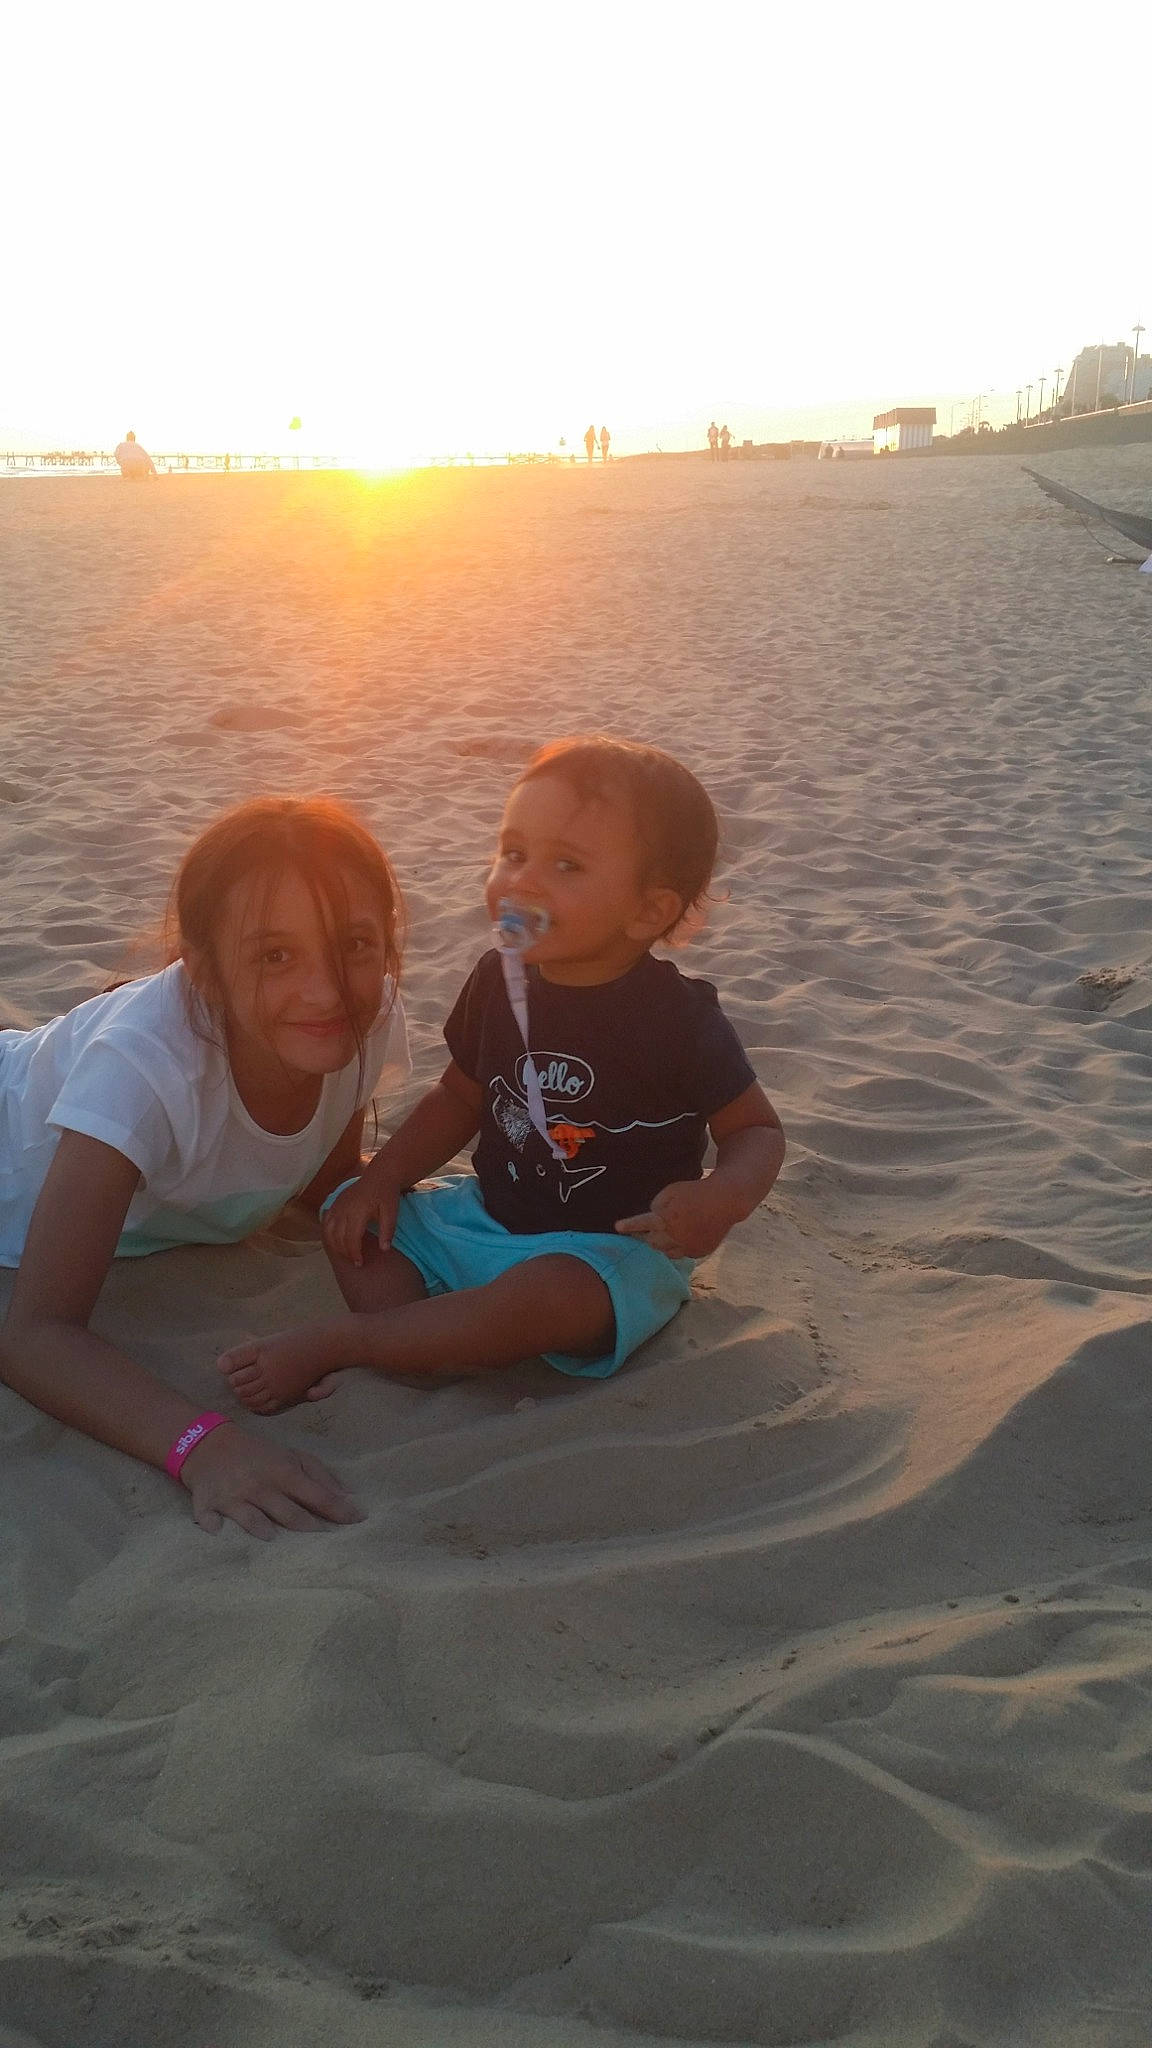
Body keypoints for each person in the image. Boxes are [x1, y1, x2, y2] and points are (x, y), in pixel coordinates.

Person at [218, 738, 785, 1414]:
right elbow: (459, 1096)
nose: (520, 881)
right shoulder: (497, 978)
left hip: (607, 1252)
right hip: (489, 1216)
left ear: (648, 911)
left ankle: (360, 1341)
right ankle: (425, 1339)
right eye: (513, 854)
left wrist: (723, 1197)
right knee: (355, 1217)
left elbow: (755, 1130)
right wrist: (382, 1179)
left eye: (566, 864)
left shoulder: (679, 1019)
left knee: (548, 1298)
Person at [0, 796, 408, 1539]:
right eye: (274, 955)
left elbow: (320, 1177)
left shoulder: (370, 1012)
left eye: (353, 942)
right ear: (206, 971)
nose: (326, 993)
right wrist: (204, 1446)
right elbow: (34, 1336)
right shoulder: (142, 1072)